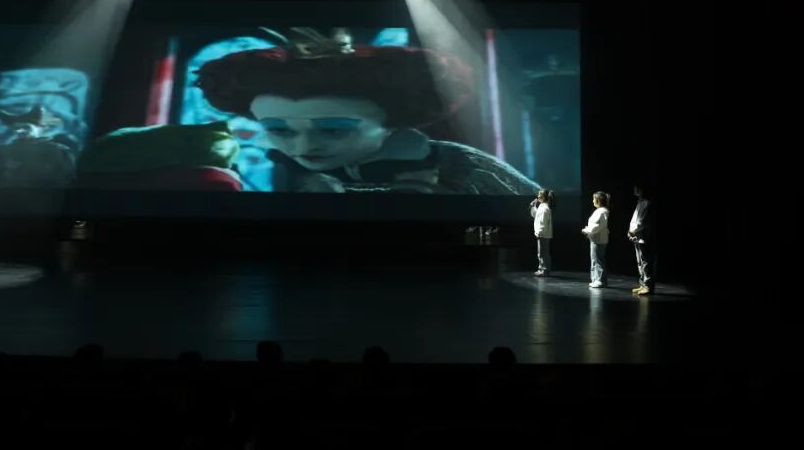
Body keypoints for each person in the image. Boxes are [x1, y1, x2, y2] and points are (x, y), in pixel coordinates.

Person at [193, 29, 540, 194]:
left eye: (334, 130)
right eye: (280, 130)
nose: (303, 147)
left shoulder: (461, 166)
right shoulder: (260, 172)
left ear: (391, 124)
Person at [628, 185, 655, 295]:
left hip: (644, 236)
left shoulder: (646, 203)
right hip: (637, 236)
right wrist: (630, 231)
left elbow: (642, 221)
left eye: (637, 188)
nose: (634, 189)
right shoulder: (640, 203)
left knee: (645, 262)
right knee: (640, 261)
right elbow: (635, 220)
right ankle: (643, 284)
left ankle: (648, 285)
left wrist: (632, 231)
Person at [582, 191, 611, 288]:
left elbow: (597, 226)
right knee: (596, 260)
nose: (593, 201)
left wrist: (587, 230)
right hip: (596, 239)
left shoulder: (602, 211)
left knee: (597, 260)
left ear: (598, 200)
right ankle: (597, 279)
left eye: (594, 199)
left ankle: (600, 280)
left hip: (598, 240)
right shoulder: (600, 211)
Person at [530, 189, 555, 276]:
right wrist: (533, 206)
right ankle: (543, 269)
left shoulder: (544, 208)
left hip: (543, 234)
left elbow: (543, 222)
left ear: (544, 197)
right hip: (543, 234)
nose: (538, 196)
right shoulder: (542, 207)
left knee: (543, 253)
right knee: (542, 253)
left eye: (540, 195)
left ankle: (544, 270)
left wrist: (539, 232)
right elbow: (535, 215)